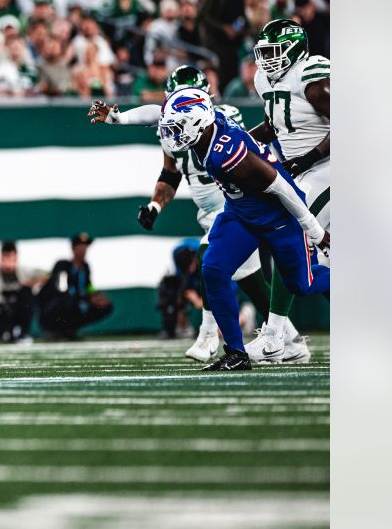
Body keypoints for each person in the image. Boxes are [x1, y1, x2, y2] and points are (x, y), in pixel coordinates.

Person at [88, 66, 279, 362]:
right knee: (251, 280)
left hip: (236, 205)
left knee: (209, 259)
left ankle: (207, 335)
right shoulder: (171, 128)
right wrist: (155, 205)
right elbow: (170, 172)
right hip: (211, 211)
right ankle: (287, 337)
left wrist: (121, 118)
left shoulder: (225, 118)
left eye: (189, 100)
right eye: (177, 100)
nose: (181, 108)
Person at [157, 87, 329, 371]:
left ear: (197, 122)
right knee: (212, 268)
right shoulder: (206, 130)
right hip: (241, 212)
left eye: (177, 127)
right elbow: (157, 113)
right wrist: (119, 119)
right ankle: (236, 352)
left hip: (279, 216)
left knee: (301, 284)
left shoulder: (226, 151)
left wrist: (314, 230)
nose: (171, 135)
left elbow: (280, 185)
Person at [246, 18, 331, 362]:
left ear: (295, 48)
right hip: (306, 172)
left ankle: (275, 337)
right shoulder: (264, 80)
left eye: (274, 51)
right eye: (264, 52)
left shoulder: (311, 75)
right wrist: (242, 143)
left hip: (329, 167)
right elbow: (276, 124)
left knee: (289, 230)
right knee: (325, 257)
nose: (268, 58)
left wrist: (308, 158)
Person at [38, 233, 115, 340]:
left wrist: (96, 296)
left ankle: (70, 329)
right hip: (53, 308)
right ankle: (53, 330)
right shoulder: (63, 265)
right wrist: (87, 298)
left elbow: (88, 287)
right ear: (73, 248)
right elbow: (62, 290)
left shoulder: (86, 267)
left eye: (85, 246)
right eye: (80, 246)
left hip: (75, 303)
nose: (84, 249)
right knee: (67, 301)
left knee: (105, 306)